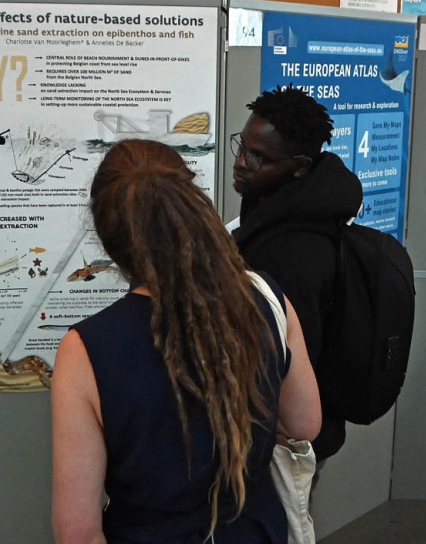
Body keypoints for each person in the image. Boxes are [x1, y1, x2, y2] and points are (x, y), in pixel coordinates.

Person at [51, 139, 321, 543]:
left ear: (109, 240)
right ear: (192, 209)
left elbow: (78, 533)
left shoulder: (86, 350)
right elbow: (304, 423)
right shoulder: (265, 298)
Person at [231, 85, 362, 463]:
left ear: (300, 166)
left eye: (259, 157)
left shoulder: (294, 252)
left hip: (281, 442)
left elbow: (284, 366)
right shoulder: (274, 209)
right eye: (242, 147)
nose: (241, 162)